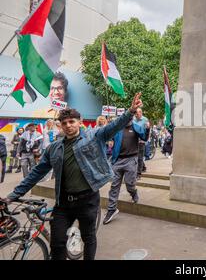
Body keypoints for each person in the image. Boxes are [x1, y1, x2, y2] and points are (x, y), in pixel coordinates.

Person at [3, 93, 144, 260]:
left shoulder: (94, 136)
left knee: (88, 238)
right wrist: (13, 195)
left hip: (88, 200)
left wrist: (130, 111)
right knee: (57, 243)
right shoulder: (53, 148)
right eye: (64, 123)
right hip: (63, 203)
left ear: (80, 122)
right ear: (60, 126)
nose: (68, 125)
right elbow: (36, 173)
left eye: (72, 122)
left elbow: (113, 127)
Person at [103, 118, 150, 225]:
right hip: (118, 160)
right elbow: (110, 137)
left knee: (130, 184)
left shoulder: (136, 127)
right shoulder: (118, 128)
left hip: (131, 160)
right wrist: (110, 140)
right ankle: (111, 209)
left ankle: (133, 193)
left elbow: (144, 138)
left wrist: (147, 129)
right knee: (114, 186)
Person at [133, 108, 149, 177]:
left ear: (141, 113)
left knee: (139, 157)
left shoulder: (145, 120)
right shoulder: (133, 120)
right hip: (134, 141)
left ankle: (138, 173)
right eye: (135, 114)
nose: (136, 115)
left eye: (137, 113)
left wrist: (146, 140)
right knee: (136, 156)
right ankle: (143, 167)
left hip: (142, 141)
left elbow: (147, 131)